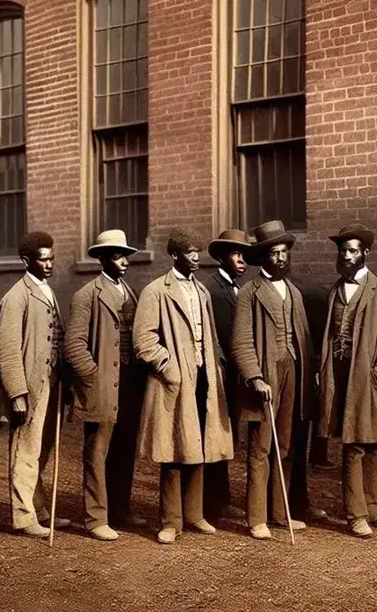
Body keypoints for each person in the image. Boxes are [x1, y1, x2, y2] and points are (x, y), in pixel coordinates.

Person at [134, 229, 235, 544]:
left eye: (197, 251)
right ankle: (170, 521)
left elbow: (211, 337)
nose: (195, 257)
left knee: (200, 444)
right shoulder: (156, 291)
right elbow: (143, 339)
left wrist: (215, 365)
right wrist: (169, 367)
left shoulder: (202, 292)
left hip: (204, 376)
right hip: (173, 382)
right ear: (175, 255)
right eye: (189, 252)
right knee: (174, 449)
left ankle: (195, 515)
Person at [316, 223, 377, 538]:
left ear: (365, 253)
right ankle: (355, 514)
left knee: (375, 443)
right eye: (342, 251)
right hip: (340, 378)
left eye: (352, 250)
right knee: (353, 444)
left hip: (370, 381)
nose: (346, 256)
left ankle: (374, 509)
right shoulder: (334, 290)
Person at [231, 220, 316, 539]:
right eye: (274, 253)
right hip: (266, 374)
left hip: (293, 370)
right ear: (262, 257)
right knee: (261, 447)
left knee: (288, 443)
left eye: (284, 253)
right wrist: (254, 376)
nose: (281, 259)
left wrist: (311, 372)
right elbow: (240, 341)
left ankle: (281, 513)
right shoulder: (249, 293)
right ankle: (257, 518)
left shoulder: (293, 291)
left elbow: (304, 336)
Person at [63, 230, 143, 540]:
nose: (123, 261)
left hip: (128, 382)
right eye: (116, 255)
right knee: (97, 451)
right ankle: (96, 519)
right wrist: (93, 376)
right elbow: (74, 345)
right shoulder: (87, 295)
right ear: (102, 259)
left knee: (125, 447)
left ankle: (120, 510)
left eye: (125, 255)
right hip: (101, 384)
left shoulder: (130, 292)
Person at [0, 231, 71, 538]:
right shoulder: (16, 295)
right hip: (30, 384)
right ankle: (23, 516)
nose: (49, 263)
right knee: (25, 450)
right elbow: (6, 348)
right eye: (43, 258)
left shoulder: (47, 290)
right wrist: (17, 392)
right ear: (27, 260)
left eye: (52, 257)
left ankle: (38, 507)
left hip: (51, 382)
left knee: (42, 449)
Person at [203, 228, 252, 522]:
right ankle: (209, 504)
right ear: (222, 256)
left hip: (234, 374)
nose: (242, 261)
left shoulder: (238, 289)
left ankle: (222, 500)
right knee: (213, 435)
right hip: (216, 372)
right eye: (236, 254)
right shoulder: (210, 290)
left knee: (227, 434)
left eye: (246, 255)